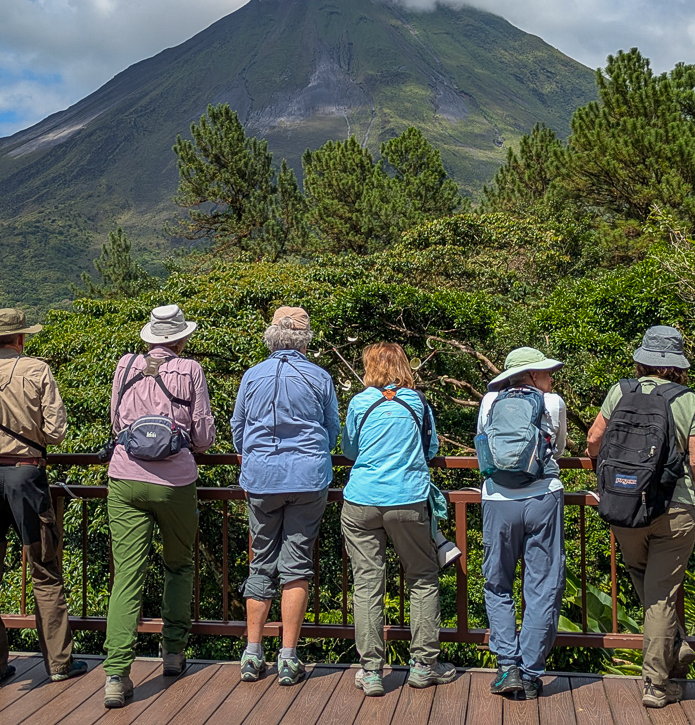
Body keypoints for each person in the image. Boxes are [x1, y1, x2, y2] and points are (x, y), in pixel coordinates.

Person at [0, 309, 87, 690]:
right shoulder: (38, 370)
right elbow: (56, 432)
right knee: (44, 568)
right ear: (20, 339)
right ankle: (59, 663)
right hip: (27, 477)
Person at [585, 326, 695, 709]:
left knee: (647, 585)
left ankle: (677, 646)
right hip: (675, 511)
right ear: (676, 365)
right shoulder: (687, 399)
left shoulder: (619, 391)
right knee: (660, 597)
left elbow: (593, 442)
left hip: (625, 507)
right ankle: (657, 684)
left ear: (642, 359)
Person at [101, 304, 216, 709]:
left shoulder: (125, 364)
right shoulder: (191, 370)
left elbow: (117, 424)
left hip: (125, 478)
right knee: (179, 565)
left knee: (127, 577)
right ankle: (173, 653)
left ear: (150, 338)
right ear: (180, 338)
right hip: (176, 482)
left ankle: (116, 675)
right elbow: (202, 436)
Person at [339, 343, 461, 696]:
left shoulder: (360, 402)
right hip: (408, 498)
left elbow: (349, 450)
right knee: (422, 578)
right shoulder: (416, 402)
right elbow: (431, 448)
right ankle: (423, 666)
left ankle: (372, 671)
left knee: (367, 584)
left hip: (361, 499)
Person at [230, 306, 339, 687]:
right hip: (308, 478)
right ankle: (289, 658)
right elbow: (331, 429)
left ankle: (251, 653)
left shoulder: (252, 376)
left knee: (261, 562)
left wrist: (259, 455)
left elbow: (238, 428)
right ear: (304, 340)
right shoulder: (319, 376)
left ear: (272, 336)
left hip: (261, 478)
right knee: (297, 564)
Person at [477, 346, 568, 700]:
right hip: (542, 497)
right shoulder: (553, 403)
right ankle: (530, 673)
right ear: (531, 375)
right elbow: (557, 450)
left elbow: (485, 445)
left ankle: (506, 667)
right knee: (543, 586)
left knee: (498, 582)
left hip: (498, 499)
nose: (550, 378)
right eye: (546, 372)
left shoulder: (489, 402)